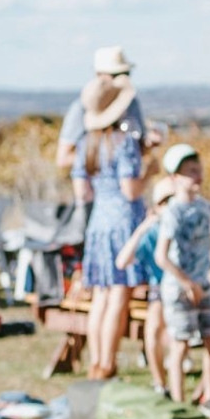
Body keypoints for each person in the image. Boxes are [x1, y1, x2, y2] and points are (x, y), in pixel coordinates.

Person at [71, 74, 148, 380]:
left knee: (100, 296)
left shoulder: (86, 144)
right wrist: (151, 172)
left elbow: (83, 192)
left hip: (98, 223)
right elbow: (131, 191)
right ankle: (108, 363)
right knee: (118, 295)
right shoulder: (124, 144)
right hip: (123, 224)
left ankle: (96, 362)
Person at [155, 144, 210, 417]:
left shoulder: (202, 206)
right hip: (180, 289)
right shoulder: (173, 212)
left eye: (197, 170)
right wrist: (187, 283)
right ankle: (179, 403)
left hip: (203, 285)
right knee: (181, 344)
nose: (196, 176)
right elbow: (161, 256)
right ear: (175, 177)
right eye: (189, 172)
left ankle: (209, 398)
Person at [56, 46, 147, 205]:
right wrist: (105, 155)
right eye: (117, 75)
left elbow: (138, 149)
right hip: (96, 200)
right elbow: (63, 159)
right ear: (99, 75)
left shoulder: (131, 104)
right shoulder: (82, 108)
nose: (123, 79)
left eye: (126, 74)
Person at [115, 176, 176, 397]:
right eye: (166, 202)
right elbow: (122, 262)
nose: (171, 206)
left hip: (183, 289)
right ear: (157, 207)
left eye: (175, 200)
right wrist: (142, 228)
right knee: (152, 331)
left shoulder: (187, 226)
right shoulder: (152, 232)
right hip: (160, 289)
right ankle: (160, 384)